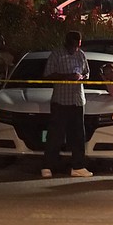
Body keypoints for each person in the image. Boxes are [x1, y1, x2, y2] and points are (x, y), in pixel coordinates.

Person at [41, 31, 93, 178]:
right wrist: (67, 77)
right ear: (67, 41)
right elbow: (48, 75)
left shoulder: (81, 55)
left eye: (77, 43)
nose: (75, 46)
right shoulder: (57, 54)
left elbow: (87, 73)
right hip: (61, 101)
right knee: (55, 135)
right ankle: (47, 166)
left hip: (77, 100)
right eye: (72, 43)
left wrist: (82, 77)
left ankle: (78, 166)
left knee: (78, 136)